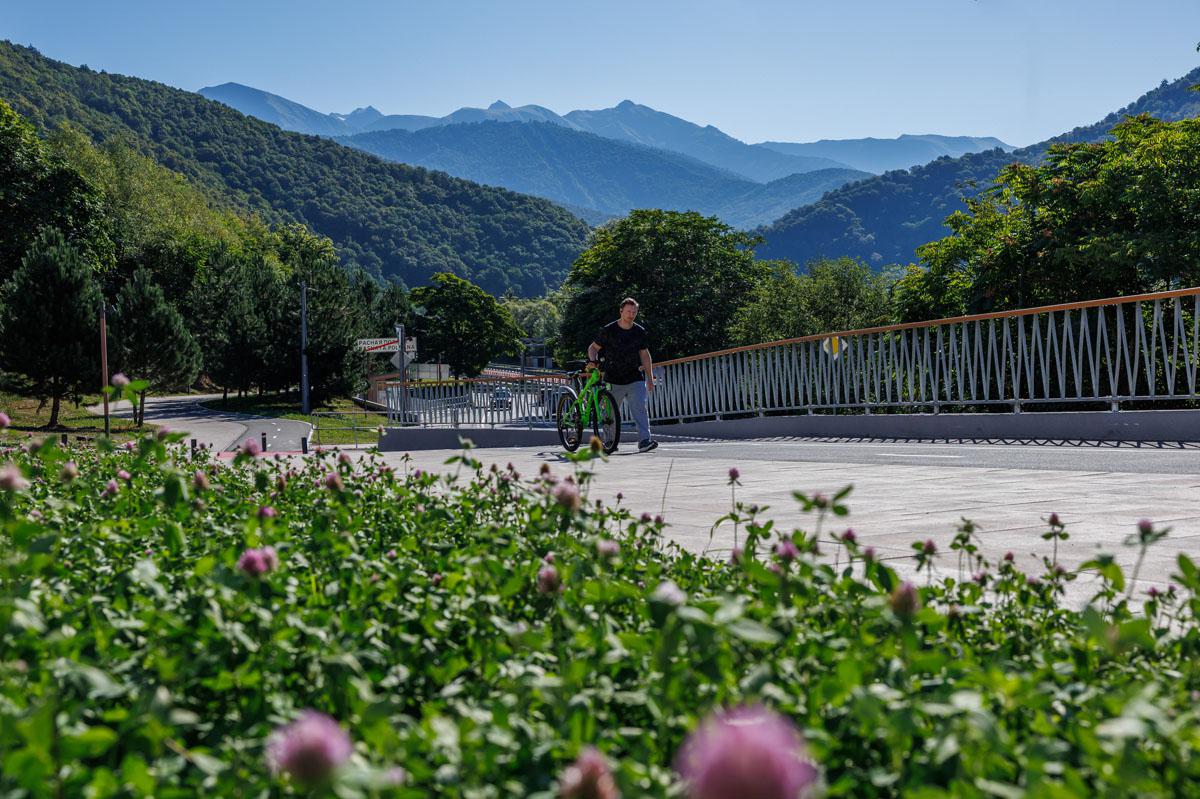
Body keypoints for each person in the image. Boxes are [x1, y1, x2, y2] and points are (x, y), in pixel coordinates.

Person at [588, 297, 658, 452]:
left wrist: (649, 376)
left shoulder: (639, 331)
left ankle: (644, 441)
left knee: (640, 408)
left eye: (634, 312)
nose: (631, 314)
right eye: (628, 311)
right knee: (610, 413)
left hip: (634, 377)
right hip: (613, 379)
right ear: (621, 311)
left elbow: (645, 354)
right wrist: (593, 361)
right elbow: (593, 348)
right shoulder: (609, 330)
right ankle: (610, 442)